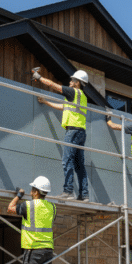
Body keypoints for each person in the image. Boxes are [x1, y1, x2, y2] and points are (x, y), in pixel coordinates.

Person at [35, 69, 90, 202]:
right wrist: (46, 102)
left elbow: (55, 86)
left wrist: (39, 77)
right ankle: (84, 195)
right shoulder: (81, 96)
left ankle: (68, 191)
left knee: (67, 161)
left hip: (72, 132)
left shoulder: (73, 92)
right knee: (79, 165)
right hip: (81, 132)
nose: (70, 82)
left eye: (73, 80)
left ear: (78, 83)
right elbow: (64, 107)